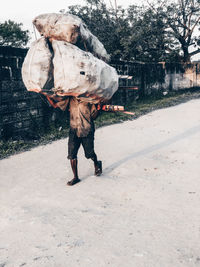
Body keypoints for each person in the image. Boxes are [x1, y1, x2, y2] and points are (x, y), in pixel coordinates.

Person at [45, 95, 102, 186]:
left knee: (89, 153)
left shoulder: (89, 100)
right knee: (72, 154)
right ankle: (75, 177)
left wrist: (98, 108)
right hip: (74, 129)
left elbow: (94, 116)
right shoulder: (70, 99)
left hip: (86, 129)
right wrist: (45, 94)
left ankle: (97, 163)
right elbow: (56, 105)